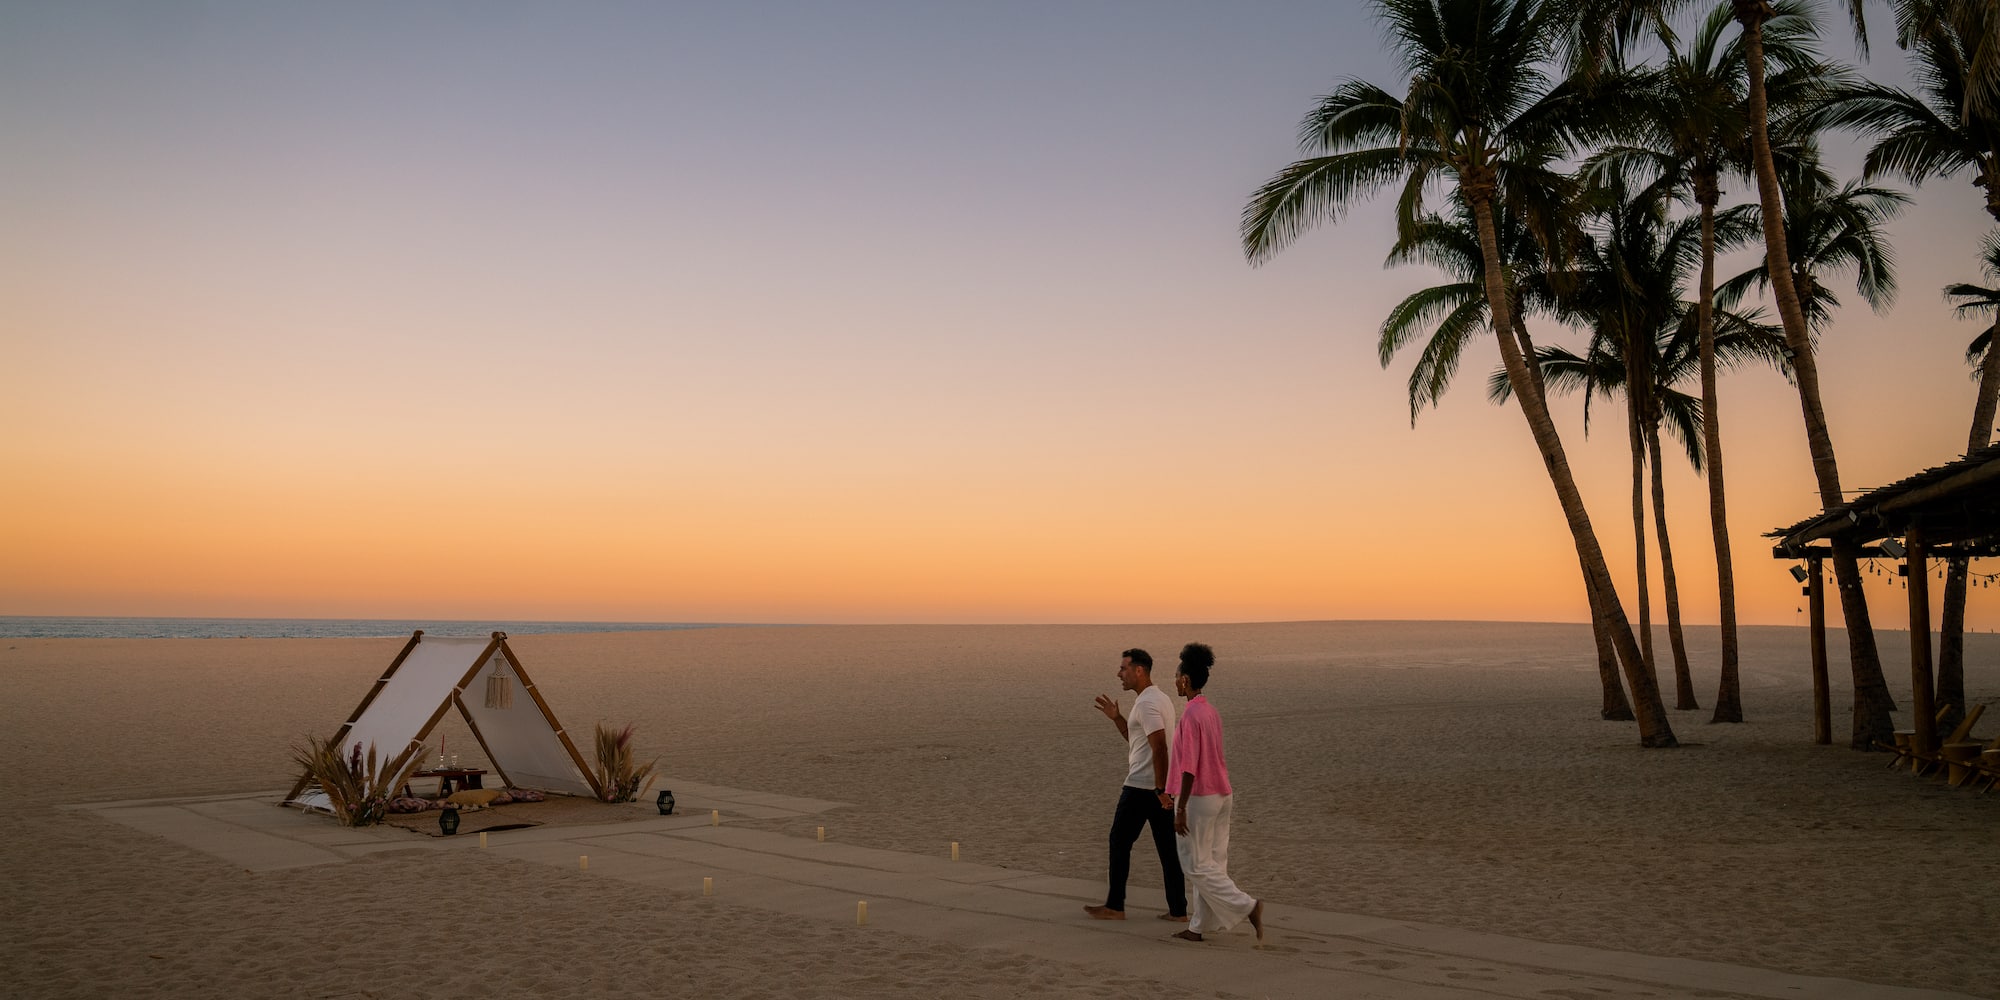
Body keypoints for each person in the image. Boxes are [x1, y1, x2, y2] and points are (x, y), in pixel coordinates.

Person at [1082, 648, 1189, 923]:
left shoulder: (1147, 703)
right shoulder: (1158, 699)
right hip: (1157, 788)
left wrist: (1160, 789)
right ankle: (1178, 910)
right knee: (1167, 851)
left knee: (1119, 841)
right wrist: (1117, 718)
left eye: (1124, 668)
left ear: (1139, 670)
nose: (1120, 674)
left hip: (1143, 789)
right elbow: (1139, 741)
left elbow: (1159, 747)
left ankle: (1115, 907)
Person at [1166, 642, 1263, 944]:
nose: (1175, 680)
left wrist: (1180, 808)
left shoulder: (1191, 717)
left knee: (1195, 864)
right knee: (1213, 861)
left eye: (1177, 675)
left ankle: (1248, 906)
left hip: (1201, 798)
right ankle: (1198, 927)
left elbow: (1189, 768)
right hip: (1223, 794)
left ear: (1185, 680)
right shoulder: (1210, 712)